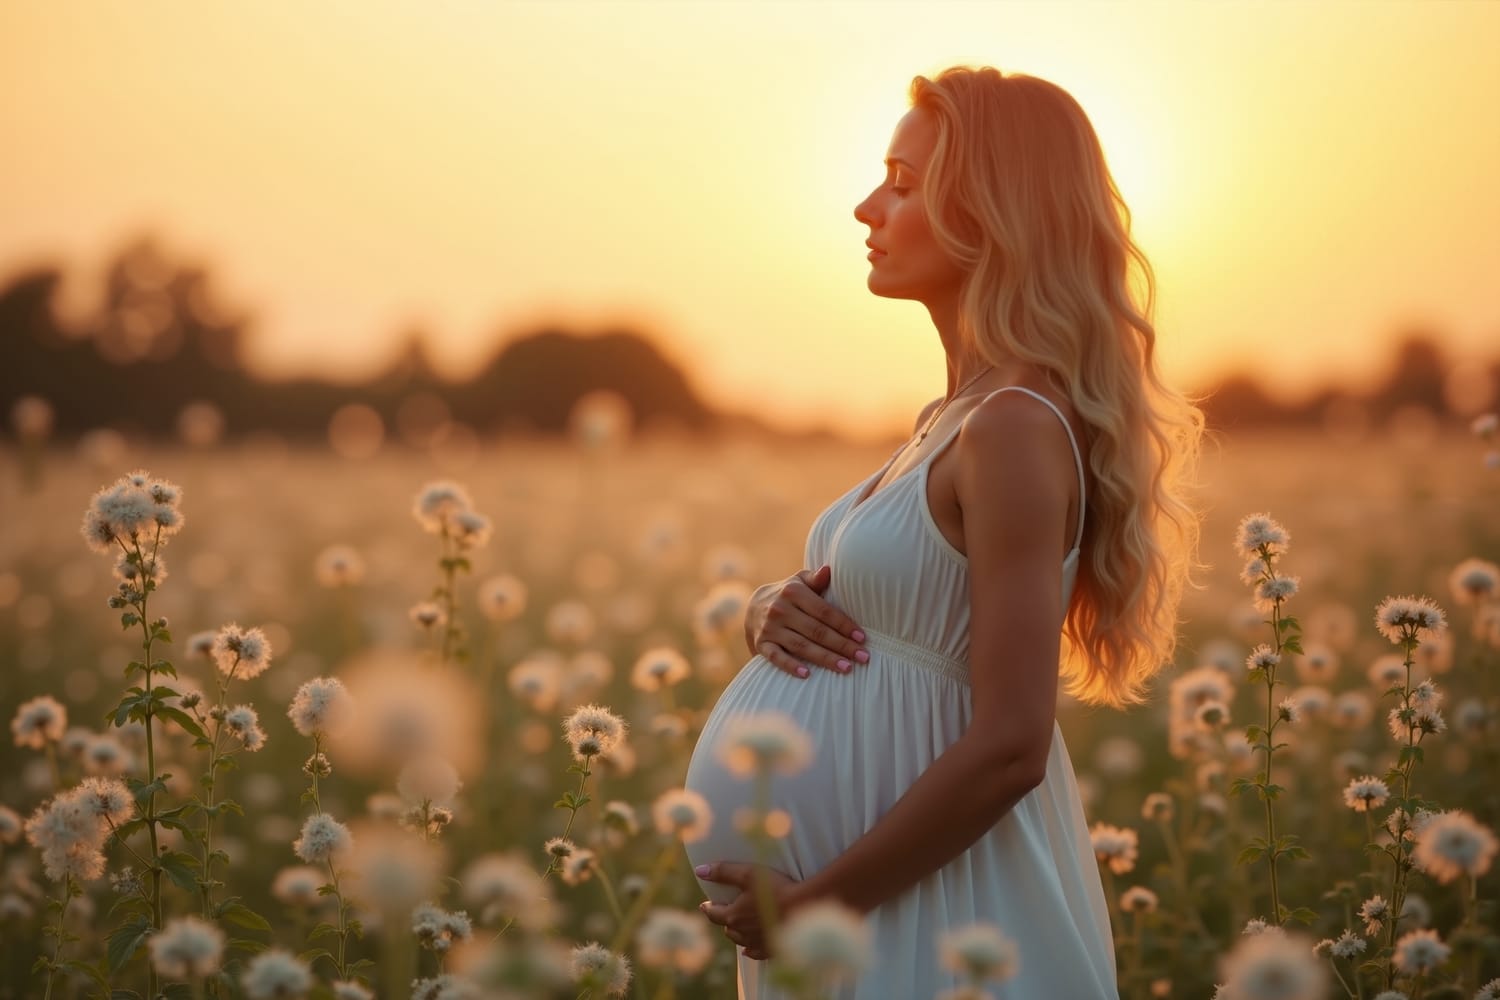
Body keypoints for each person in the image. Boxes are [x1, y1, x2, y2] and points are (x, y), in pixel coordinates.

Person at [681, 65, 1201, 998]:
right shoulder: (950, 417)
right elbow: (885, 614)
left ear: (990, 213)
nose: (865, 207)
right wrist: (768, 609)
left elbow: (1010, 742)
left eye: (904, 183)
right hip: (874, 910)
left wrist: (819, 908)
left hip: (943, 913)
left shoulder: (1010, 428)